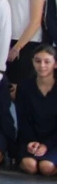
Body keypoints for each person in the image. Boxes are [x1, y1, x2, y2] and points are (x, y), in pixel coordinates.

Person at [0, 0, 45, 91]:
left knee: (22, 87)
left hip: (26, 44)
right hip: (7, 41)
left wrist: (17, 47)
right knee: (7, 86)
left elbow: (36, 21)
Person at [17, 45, 57, 176]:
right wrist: (31, 142)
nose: (42, 65)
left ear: (55, 64)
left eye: (47, 62)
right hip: (31, 138)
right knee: (30, 166)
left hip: (54, 140)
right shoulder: (25, 86)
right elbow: (22, 119)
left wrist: (46, 145)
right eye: (38, 61)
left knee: (46, 167)